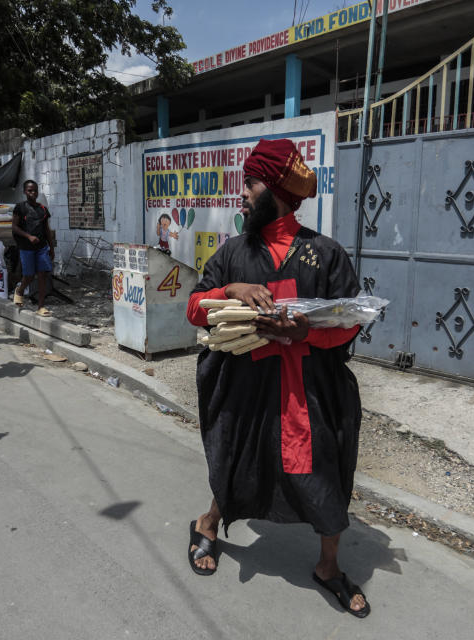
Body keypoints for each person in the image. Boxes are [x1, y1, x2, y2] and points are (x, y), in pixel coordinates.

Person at [184, 139, 369, 617]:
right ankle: (207, 524)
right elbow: (193, 309)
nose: (241, 193)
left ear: (278, 189)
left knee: (325, 472)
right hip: (246, 389)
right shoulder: (232, 255)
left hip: (307, 392)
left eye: (250, 183)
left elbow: (349, 323)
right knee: (237, 457)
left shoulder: (325, 254)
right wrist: (231, 290)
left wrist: (305, 331)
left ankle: (328, 567)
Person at [10, 180, 55, 316]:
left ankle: (41, 306)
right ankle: (20, 289)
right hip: (26, 247)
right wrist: (28, 236)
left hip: (41, 247)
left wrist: (51, 248)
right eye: (30, 190)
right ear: (24, 192)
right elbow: (14, 227)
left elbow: (46, 229)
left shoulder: (42, 209)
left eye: (35, 190)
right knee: (29, 276)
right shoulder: (20, 207)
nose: (33, 193)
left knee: (43, 275)